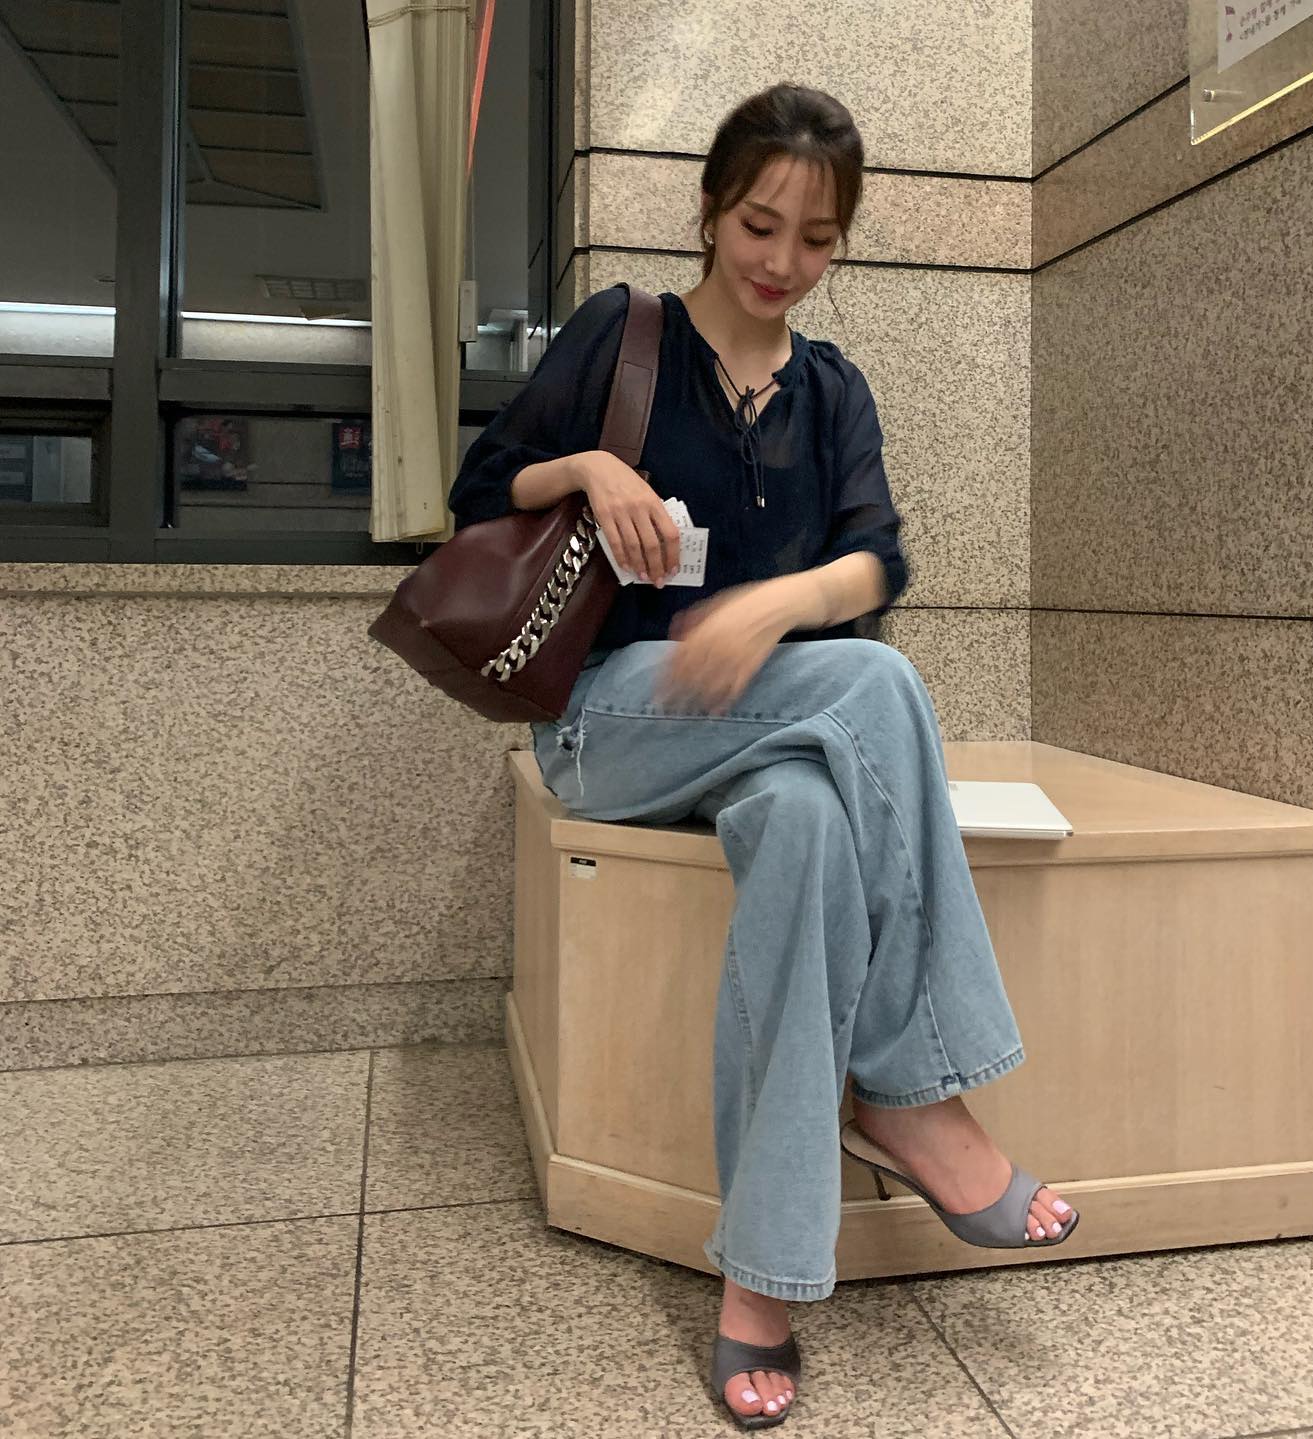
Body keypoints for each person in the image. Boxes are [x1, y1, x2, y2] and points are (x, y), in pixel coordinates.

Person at [449, 82, 1077, 1433]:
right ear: (709, 209)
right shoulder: (623, 333)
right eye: (758, 224)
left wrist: (774, 606)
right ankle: (915, 1092)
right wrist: (586, 471)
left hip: (766, 734)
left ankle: (761, 1282)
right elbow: (478, 492)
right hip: (611, 723)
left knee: (805, 820)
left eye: (817, 238)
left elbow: (878, 561)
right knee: (878, 683)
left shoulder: (833, 389)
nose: (783, 259)